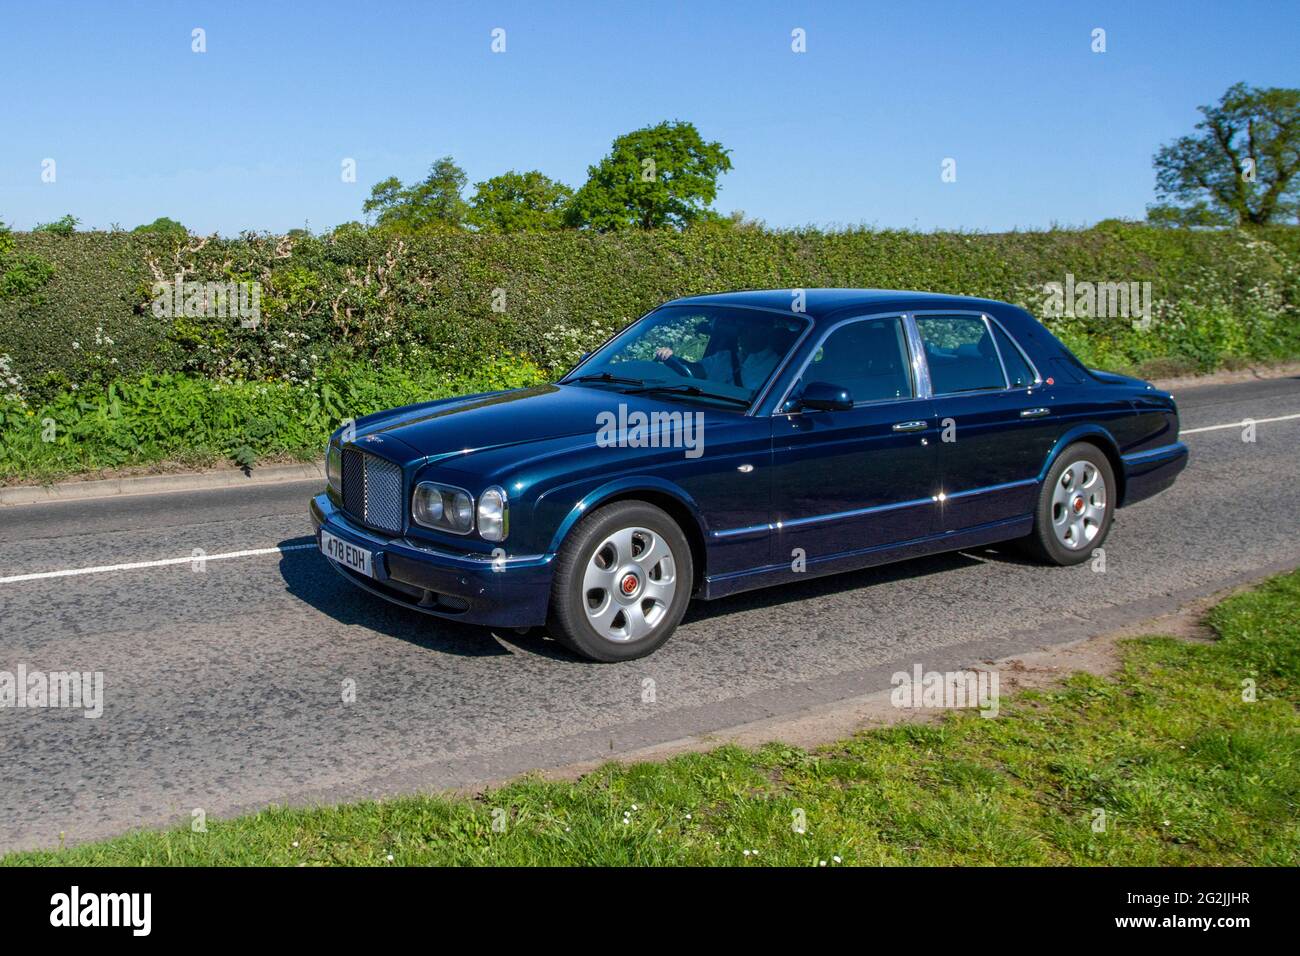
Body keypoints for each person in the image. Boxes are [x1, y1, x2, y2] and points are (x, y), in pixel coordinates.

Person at [653, 321, 780, 390]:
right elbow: (694, 371)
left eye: (747, 329)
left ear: (764, 331)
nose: (741, 334)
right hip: (704, 408)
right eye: (740, 329)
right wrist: (671, 357)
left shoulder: (777, 367)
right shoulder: (724, 357)